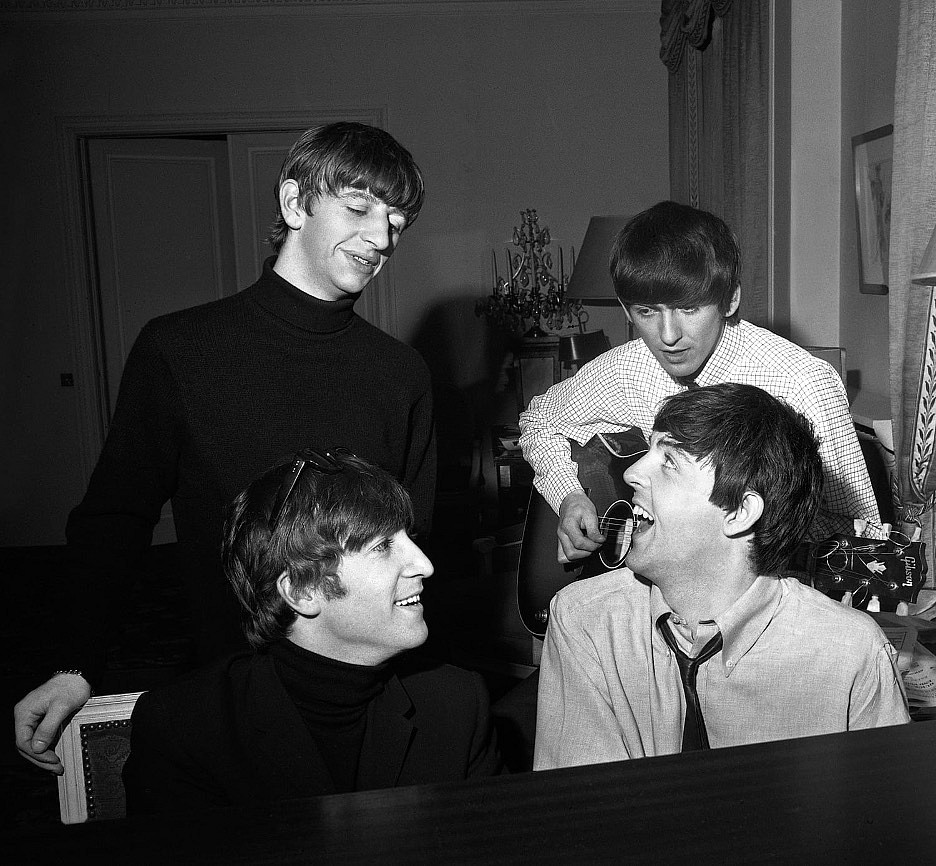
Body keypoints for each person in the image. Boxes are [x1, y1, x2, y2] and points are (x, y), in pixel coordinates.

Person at [15, 122, 436, 775]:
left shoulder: (400, 374)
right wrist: (77, 663)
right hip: (231, 697)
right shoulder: (180, 351)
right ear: (295, 204)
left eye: (397, 222)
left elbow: (419, 540)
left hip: (369, 696)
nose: (381, 239)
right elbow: (114, 518)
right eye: (359, 209)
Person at [534, 384, 909, 770]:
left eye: (669, 462)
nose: (631, 473)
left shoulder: (851, 654)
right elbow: (580, 816)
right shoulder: (584, 620)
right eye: (648, 450)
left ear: (739, 513)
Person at [122, 449, 500, 812]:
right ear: (303, 591)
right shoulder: (188, 727)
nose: (424, 565)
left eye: (409, 538)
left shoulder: (457, 703)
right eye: (383, 546)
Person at [519, 201, 882, 567]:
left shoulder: (803, 383)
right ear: (627, 310)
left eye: (689, 308)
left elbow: (858, 531)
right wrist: (569, 496)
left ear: (731, 299)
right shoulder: (630, 368)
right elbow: (537, 421)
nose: (668, 336)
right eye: (647, 311)